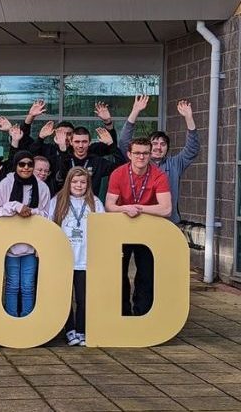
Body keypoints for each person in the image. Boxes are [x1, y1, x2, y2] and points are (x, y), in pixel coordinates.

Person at [105, 137, 172, 316]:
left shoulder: (159, 175)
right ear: (129, 154)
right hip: (122, 229)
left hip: (148, 231)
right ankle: (123, 313)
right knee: (119, 272)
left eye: (145, 153)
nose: (141, 157)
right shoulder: (118, 174)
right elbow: (109, 205)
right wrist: (125, 208)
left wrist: (139, 208)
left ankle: (142, 313)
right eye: (137, 153)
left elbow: (166, 208)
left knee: (146, 274)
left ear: (150, 155)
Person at [119, 96, 200, 224]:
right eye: (155, 143)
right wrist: (135, 111)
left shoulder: (174, 164)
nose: (158, 147)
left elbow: (192, 149)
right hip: (140, 221)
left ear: (167, 148)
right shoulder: (139, 162)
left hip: (169, 223)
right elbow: (124, 143)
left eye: (163, 144)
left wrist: (188, 118)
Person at [0, 151, 50, 318]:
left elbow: (47, 215)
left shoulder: (42, 187)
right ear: (16, 165)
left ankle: (26, 319)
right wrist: (15, 206)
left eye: (30, 164)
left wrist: (32, 211)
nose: (26, 168)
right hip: (10, 246)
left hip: (31, 246)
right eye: (21, 164)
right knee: (12, 285)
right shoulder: (6, 184)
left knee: (28, 285)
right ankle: (11, 318)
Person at [49, 167, 105, 346]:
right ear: (68, 183)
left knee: (83, 298)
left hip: (85, 260)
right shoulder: (57, 201)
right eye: (75, 182)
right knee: (65, 298)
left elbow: (104, 229)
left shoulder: (95, 203)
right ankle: (69, 330)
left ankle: (81, 330)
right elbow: (50, 227)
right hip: (64, 259)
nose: (79, 185)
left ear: (88, 184)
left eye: (82, 182)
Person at [55, 126, 124, 198]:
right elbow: (61, 177)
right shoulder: (65, 160)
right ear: (71, 142)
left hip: (90, 204)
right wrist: (62, 151)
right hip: (67, 203)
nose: (80, 145)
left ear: (90, 142)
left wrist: (111, 145)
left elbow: (121, 168)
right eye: (77, 142)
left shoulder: (97, 161)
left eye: (84, 142)